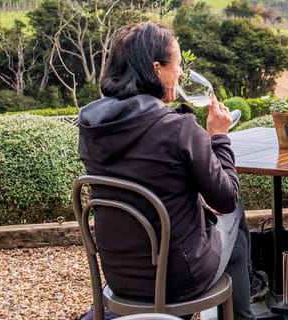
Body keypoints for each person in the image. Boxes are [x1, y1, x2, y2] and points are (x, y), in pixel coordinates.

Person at [77, 22, 254, 319]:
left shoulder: (91, 125)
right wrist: (220, 138)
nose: (181, 73)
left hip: (119, 277)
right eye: (178, 64)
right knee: (235, 215)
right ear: (157, 69)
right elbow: (226, 198)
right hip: (178, 278)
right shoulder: (179, 128)